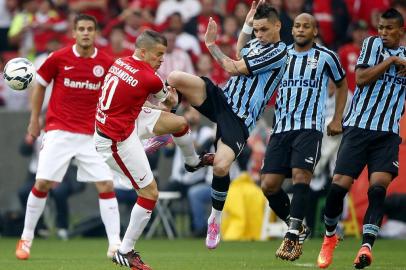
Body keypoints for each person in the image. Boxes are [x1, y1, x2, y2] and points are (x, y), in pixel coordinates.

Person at [167, 0, 288, 250]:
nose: (259, 35)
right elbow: (241, 48)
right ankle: (168, 131)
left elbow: (232, 67)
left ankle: (215, 220)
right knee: (175, 77)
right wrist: (247, 23)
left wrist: (210, 45)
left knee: (221, 167)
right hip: (222, 99)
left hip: (239, 118)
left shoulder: (279, 52)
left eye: (264, 29)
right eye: (257, 30)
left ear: (278, 26)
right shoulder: (256, 42)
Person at [94, 30, 213, 270]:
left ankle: (192, 162)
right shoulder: (150, 78)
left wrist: (154, 109)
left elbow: (134, 98)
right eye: (158, 54)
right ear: (143, 51)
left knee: (180, 124)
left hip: (128, 118)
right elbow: (169, 103)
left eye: (164, 54)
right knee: (149, 194)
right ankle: (125, 251)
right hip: (115, 141)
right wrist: (172, 99)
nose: (161, 59)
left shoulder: (120, 62)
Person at [16, 14, 121, 260]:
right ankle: (26, 239)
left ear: (95, 33)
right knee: (42, 183)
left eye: (89, 29)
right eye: (81, 29)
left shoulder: (106, 63)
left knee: (106, 185)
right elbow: (40, 84)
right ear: (74, 33)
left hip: (91, 136)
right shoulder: (58, 58)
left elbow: (116, 95)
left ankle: (115, 245)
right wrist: (34, 120)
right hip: (58, 131)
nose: (85, 33)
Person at [317, 8, 406, 269]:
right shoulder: (371, 45)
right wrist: (391, 62)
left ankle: (366, 247)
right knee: (338, 188)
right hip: (358, 128)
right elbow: (362, 78)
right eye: (381, 28)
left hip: (387, 133)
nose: (384, 33)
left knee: (378, 189)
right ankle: (330, 237)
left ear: (401, 31)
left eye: (389, 29)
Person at [260, 13, 348, 261]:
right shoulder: (281, 55)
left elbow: (342, 85)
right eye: (297, 25)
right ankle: (297, 224)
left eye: (306, 26)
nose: (300, 29)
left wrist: (337, 118)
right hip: (280, 129)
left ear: (315, 31)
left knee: (301, 177)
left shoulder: (326, 57)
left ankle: (291, 235)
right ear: (292, 30)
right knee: (268, 185)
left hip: (309, 128)